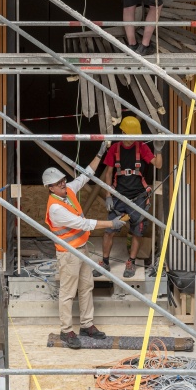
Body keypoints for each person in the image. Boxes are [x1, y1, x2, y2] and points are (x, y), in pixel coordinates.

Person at [44, 143, 124, 349]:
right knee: (68, 293)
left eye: (62, 180)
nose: (63, 183)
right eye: (58, 183)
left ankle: (87, 324)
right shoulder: (55, 208)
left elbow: (85, 175)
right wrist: (111, 223)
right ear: (50, 188)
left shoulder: (68, 191)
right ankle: (66, 330)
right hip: (68, 254)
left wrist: (99, 153)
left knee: (86, 287)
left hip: (82, 249)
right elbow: (83, 223)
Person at [94, 116, 164, 279]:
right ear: (123, 132)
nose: (132, 138)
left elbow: (158, 164)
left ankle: (131, 262)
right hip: (118, 196)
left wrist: (158, 150)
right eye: (130, 135)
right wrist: (108, 195)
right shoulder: (115, 149)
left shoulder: (142, 148)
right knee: (109, 231)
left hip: (138, 196)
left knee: (137, 232)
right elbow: (109, 173)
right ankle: (105, 262)